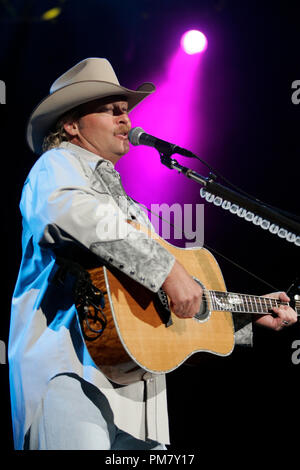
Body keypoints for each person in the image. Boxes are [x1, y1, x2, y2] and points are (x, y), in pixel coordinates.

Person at [8, 57, 297, 451]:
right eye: (111, 111)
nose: (125, 119)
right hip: (71, 373)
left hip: (139, 399)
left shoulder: (133, 209)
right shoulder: (56, 165)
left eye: (125, 110)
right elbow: (67, 214)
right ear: (71, 125)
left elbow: (160, 309)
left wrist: (242, 315)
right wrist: (167, 269)